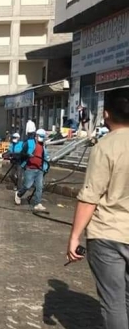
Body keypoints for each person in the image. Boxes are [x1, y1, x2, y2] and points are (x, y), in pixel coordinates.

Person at [66, 88, 129, 329]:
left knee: (113, 303)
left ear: (106, 114)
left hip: (108, 234)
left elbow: (90, 197)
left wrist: (75, 236)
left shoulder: (105, 147)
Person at [14, 128, 49, 211]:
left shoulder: (43, 145)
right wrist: (27, 155)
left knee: (39, 187)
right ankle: (18, 194)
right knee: (27, 185)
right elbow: (22, 153)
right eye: (40, 136)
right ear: (36, 136)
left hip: (39, 169)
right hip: (30, 168)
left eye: (43, 137)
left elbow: (44, 156)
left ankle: (37, 203)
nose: (42, 138)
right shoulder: (29, 143)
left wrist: (45, 166)